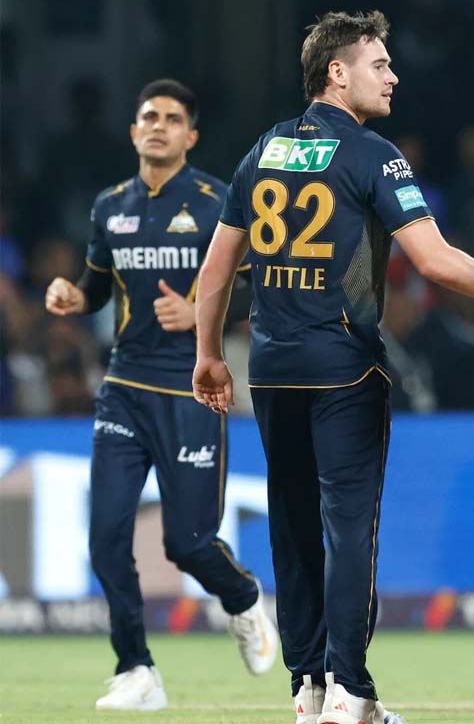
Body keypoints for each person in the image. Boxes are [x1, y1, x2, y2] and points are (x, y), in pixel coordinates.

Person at [191, 10, 474, 724]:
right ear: (336, 73)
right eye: (379, 64)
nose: (394, 76)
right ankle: (351, 691)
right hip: (345, 369)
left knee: (292, 529)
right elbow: (435, 262)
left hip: (273, 371)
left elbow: (218, 267)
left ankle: (308, 690)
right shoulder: (374, 155)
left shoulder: (264, 149)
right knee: (349, 530)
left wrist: (208, 354)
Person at [44, 79, 277, 712]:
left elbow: (261, 283)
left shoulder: (216, 201)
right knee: (105, 538)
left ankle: (243, 599)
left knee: (188, 543)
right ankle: (136, 670)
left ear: (190, 136)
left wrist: (202, 310)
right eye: (149, 116)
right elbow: (97, 286)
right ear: (133, 131)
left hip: (191, 387)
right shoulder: (109, 206)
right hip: (123, 387)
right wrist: (73, 295)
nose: (158, 125)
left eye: (173, 119)